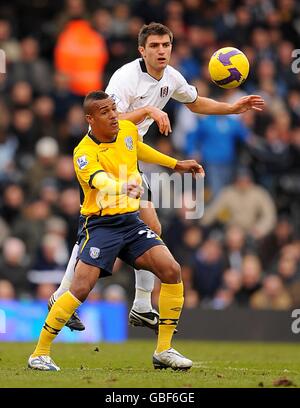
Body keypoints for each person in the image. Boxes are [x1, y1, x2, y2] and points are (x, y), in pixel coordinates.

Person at [49, 22, 264, 333]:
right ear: (142, 50)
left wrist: (232, 108)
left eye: (166, 45)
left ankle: (139, 305)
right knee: (96, 229)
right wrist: (150, 110)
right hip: (105, 156)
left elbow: (195, 101)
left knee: (151, 225)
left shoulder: (172, 77)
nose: (161, 51)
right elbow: (107, 117)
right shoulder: (124, 79)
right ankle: (70, 300)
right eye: (154, 46)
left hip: (129, 154)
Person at [28, 91, 205, 371]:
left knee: (171, 270)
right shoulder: (83, 153)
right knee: (81, 288)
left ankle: (163, 350)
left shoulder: (126, 128)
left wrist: (175, 164)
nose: (113, 115)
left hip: (131, 222)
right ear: (90, 119)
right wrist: (123, 186)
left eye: (113, 109)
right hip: (99, 225)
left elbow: (137, 148)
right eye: (105, 112)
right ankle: (40, 352)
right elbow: (99, 182)